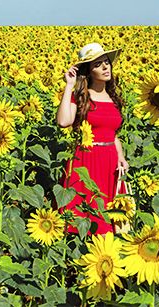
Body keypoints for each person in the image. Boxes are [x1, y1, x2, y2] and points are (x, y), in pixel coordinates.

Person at [56, 42, 129, 235]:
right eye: (98, 64)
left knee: (109, 219)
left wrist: (121, 157)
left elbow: (113, 135)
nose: (105, 67)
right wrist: (69, 86)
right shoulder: (81, 97)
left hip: (110, 163)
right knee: (81, 216)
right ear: (88, 72)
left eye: (106, 62)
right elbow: (64, 121)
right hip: (85, 161)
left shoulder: (113, 98)